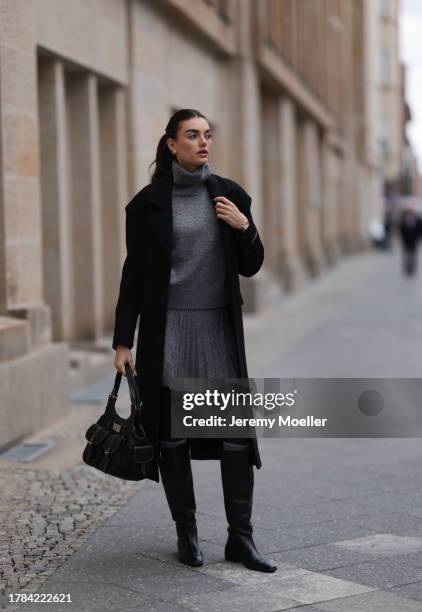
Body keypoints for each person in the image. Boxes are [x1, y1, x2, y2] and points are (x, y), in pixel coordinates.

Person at [112, 109, 277, 573]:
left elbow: (251, 266)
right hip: (169, 333)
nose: (203, 142)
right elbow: (134, 276)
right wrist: (123, 341)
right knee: (174, 439)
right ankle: (187, 534)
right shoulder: (146, 205)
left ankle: (240, 540)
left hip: (218, 332)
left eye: (207, 135)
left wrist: (245, 227)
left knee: (235, 438)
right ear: (171, 144)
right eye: (192, 135)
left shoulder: (230, 195)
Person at [398, 204, 421, 276]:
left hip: (414, 241)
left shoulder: (418, 220)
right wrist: (402, 238)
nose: (410, 213)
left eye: (411, 212)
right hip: (406, 241)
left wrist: (418, 237)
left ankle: (413, 268)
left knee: (413, 255)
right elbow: (401, 230)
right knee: (406, 255)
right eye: (409, 212)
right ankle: (407, 268)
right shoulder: (403, 220)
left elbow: (420, 230)